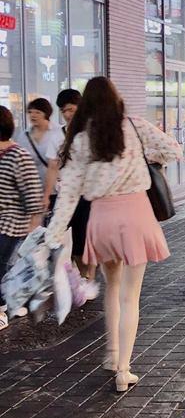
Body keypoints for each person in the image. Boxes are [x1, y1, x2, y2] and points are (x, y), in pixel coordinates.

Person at [46, 77, 182, 392]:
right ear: (115, 100)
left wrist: (53, 235)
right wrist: (148, 157)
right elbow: (173, 150)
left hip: (102, 218)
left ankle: (112, 354)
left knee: (113, 287)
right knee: (131, 296)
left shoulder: (80, 140)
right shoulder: (135, 126)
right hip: (136, 214)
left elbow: (69, 194)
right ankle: (124, 370)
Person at [0, 107, 44, 331]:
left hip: (11, 223)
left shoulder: (18, 155)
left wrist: (31, 229)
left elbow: (33, 195)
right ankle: (12, 302)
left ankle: (2, 312)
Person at [56, 88, 97, 296]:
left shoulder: (90, 132)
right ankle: (80, 279)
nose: (67, 114)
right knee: (68, 242)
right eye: (63, 111)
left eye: (71, 109)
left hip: (87, 196)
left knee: (83, 240)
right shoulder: (59, 134)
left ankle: (88, 278)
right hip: (66, 195)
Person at [21, 98, 65, 217]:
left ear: (46, 114)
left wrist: (47, 195)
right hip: (32, 191)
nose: (33, 115)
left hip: (56, 190)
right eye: (30, 112)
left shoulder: (59, 133)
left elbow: (56, 165)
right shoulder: (24, 136)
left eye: (37, 112)